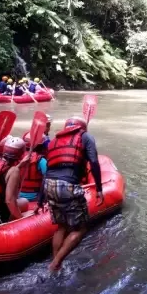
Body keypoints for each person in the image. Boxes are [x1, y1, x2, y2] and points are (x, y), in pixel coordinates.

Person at [43, 116, 104, 271]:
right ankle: (55, 263)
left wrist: (39, 200)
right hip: (68, 185)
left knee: (61, 226)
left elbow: (49, 169)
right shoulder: (86, 136)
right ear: (83, 127)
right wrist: (99, 189)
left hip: (49, 184)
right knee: (80, 229)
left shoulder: (54, 141)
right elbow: (94, 162)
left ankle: (56, 265)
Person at [19, 132, 48, 202]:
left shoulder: (17, 157)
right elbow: (48, 179)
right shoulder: (41, 160)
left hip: (17, 195)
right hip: (35, 196)